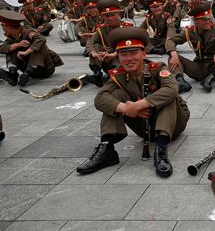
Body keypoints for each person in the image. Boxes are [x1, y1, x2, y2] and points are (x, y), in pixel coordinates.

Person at [76, 27, 190, 177]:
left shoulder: (158, 68)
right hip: (143, 125)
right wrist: (124, 108)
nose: (129, 59)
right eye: (123, 54)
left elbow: (172, 89)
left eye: (134, 53)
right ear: (118, 57)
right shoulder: (118, 75)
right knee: (114, 96)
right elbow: (100, 98)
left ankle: (161, 150)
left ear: (143, 54)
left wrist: (138, 105)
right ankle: (107, 148)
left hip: (173, 123)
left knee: (167, 96)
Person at [166, 4, 215, 93]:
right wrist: (174, 54)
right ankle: (180, 81)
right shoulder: (190, 31)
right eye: (204, 20)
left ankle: (210, 79)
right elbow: (170, 41)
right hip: (199, 67)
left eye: (208, 19)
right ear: (195, 21)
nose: (208, 22)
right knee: (172, 57)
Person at [0, 10, 63, 87]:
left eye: (3, 26)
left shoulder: (28, 32)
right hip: (26, 70)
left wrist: (27, 52)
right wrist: (18, 45)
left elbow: (41, 39)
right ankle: (12, 74)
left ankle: (28, 72)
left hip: (44, 69)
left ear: (9, 28)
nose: (2, 28)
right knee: (11, 47)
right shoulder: (11, 39)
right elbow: (2, 48)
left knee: (39, 45)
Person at [86, 0, 134, 87]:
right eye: (107, 16)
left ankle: (113, 75)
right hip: (106, 60)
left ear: (118, 15)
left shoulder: (127, 27)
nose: (110, 18)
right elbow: (91, 41)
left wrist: (114, 54)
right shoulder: (102, 29)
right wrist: (93, 53)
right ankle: (97, 73)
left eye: (112, 15)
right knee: (96, 46)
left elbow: (130, 46)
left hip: (122, 60)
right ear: (103, 17)